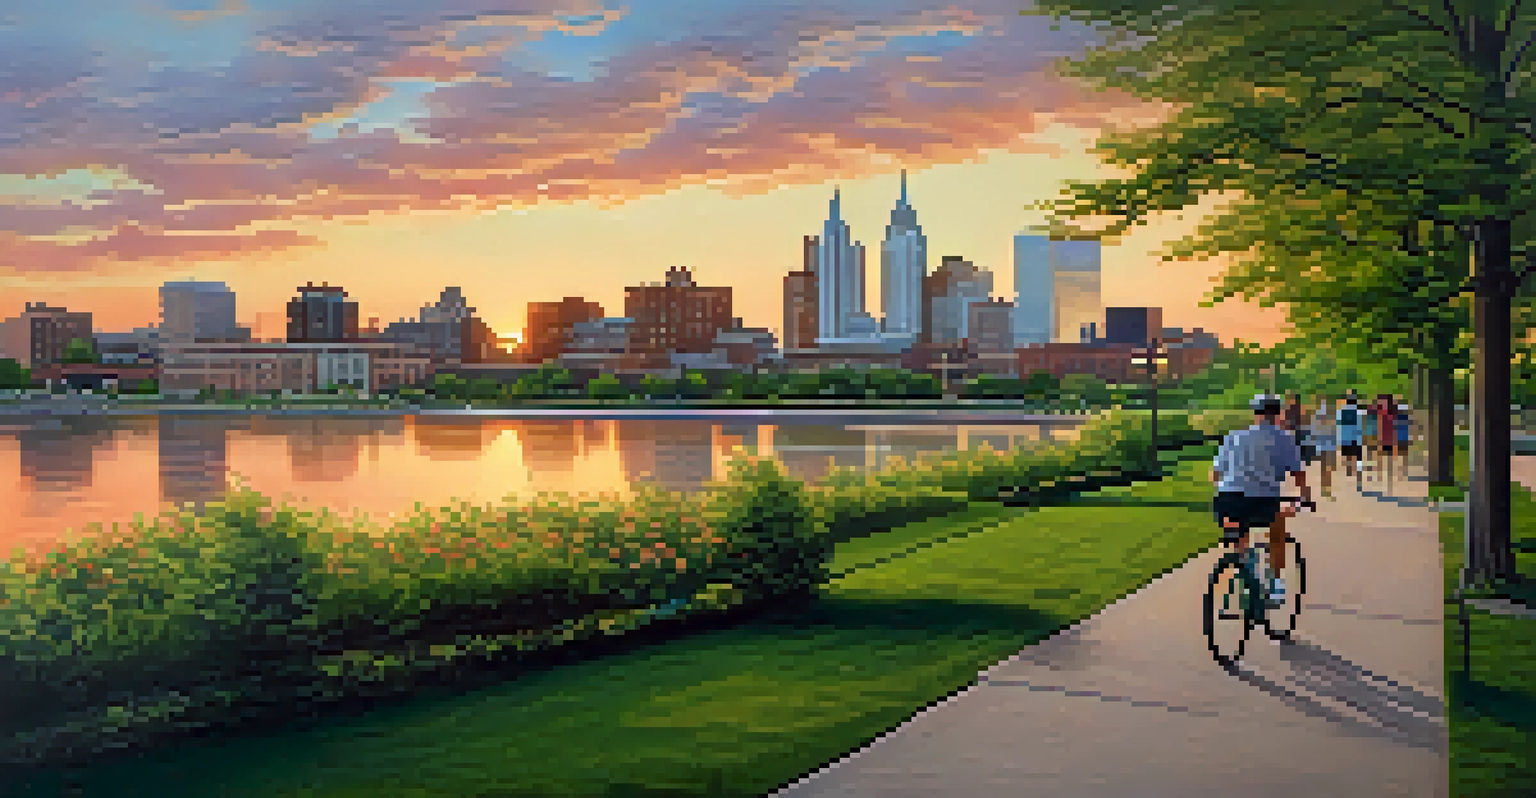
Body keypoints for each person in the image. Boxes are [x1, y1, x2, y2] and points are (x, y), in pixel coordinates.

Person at [1211, 394, 1313, 606]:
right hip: (1262, 500)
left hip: (1226, 499)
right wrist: (1304, 498)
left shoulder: (1233, 436)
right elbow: (1298, 473)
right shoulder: (1284, 438)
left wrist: (1224, 490)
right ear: (1277, 415)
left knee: (1240, 534)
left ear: (1255, 414)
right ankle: (1275, 585)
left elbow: (1215, 474)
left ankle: (1243, 576)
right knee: (1277, 532)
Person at [1311, 395, 1336, 499]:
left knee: (1323, 467)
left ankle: (1324, 486)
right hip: (1329, 445)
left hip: (1321, 445)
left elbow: (1313, 431)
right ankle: (1327, 487)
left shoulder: (1317, 416)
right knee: (1328, 468)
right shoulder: (1331, 417)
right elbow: (1334, 431)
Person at [1337, 391, 1364, 488]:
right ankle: (1356, 470)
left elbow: (1339, 423)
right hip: (1355, 436)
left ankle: (1349, 469)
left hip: (1345, 436)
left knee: (1348, 454)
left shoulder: (1342, 411)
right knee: (1356, 455)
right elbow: (1360, 425)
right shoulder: (1358, 411)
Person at [1396, 398, 1412, 472]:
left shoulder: (1399, 417)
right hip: (1402, 436)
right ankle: (1403, 467)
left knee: (1401, 452)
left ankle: (1402, 467)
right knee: (1403, 452)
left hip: (1400, 436)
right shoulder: (1405, 416)